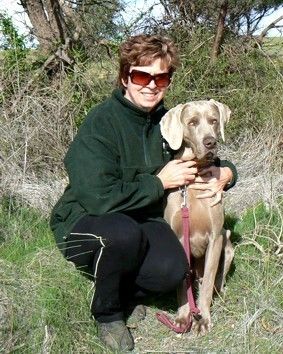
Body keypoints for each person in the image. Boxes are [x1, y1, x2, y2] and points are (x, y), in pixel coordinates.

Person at [50, 34, 237, 351]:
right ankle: (108, 313)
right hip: (86, 222)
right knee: (123, 235)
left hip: (139, 220)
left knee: (173, 269)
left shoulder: (168, 122)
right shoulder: (101, 123)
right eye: (141, 75)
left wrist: (227, 172)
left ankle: (127, 290)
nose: (151, 85)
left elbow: (198, 149)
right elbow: (98, 197)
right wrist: (159, 183)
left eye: (160, 77)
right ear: (125, 77)